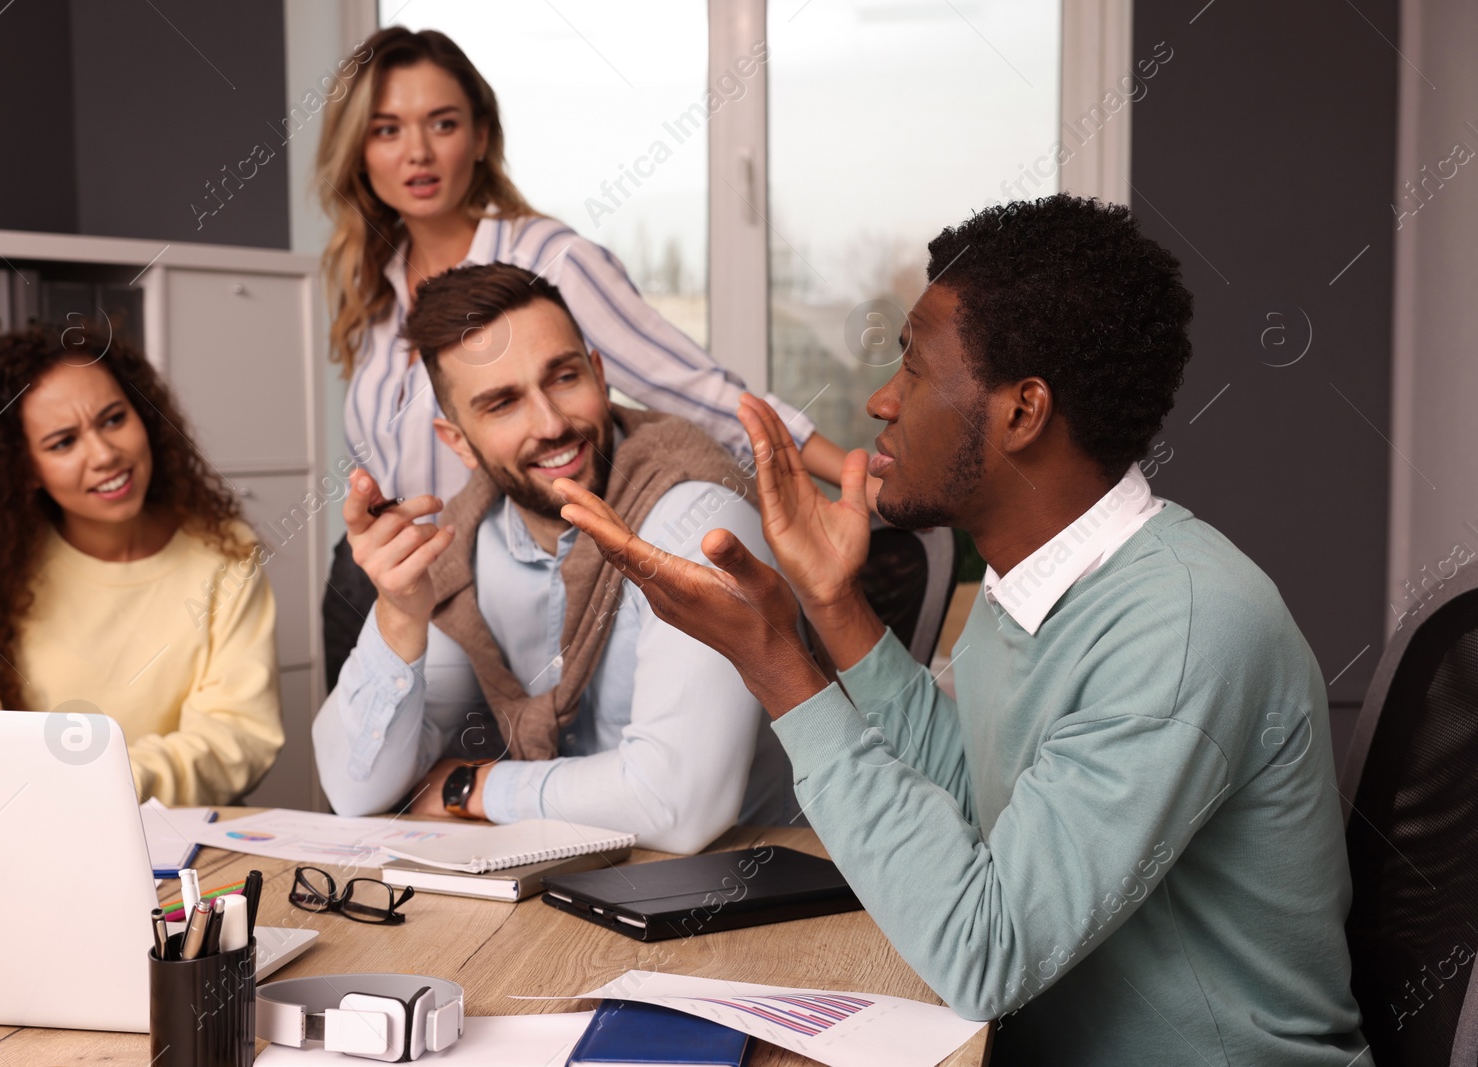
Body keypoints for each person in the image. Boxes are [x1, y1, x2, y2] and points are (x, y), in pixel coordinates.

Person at [556, 195, 1372, 1064]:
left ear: (1022, 412)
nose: (881, 400)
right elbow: (977, 790)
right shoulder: (1032, 580)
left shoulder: (1183, 627)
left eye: (911, 368)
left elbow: (986, 953)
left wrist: (774, 662)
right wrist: (833, 606)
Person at [314, 26, 853, 687]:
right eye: (387, 129)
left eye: (442, 123)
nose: (418, 153)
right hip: (374, 582)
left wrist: (855, 478)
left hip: (486, 594)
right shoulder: (374, 286)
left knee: (475, 784)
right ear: (359, 150)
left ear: (480, 136)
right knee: (359, 782)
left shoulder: (548, 262)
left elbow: (698, 391)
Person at [311, 263, 791, 853]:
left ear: (598, 372)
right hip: (592, 892)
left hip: (768, 888)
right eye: (502, 403)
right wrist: (400, 615)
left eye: (563, 378)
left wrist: (472, 786)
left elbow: (677, 806)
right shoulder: (468, 551)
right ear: (457, 440)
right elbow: (354, 790)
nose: (552, 423)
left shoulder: (695, 518)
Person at [0, 326, 282, 806]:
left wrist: (101, 783)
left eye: (114, 419)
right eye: (62, 443)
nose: (104, 455)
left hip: (168, 839)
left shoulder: (225, 554)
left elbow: (237, 737)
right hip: (21, 832)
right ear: (24, 470)